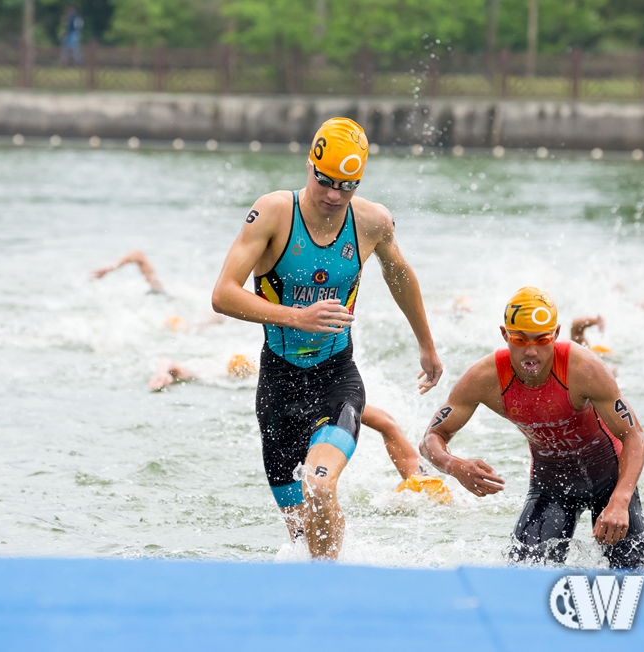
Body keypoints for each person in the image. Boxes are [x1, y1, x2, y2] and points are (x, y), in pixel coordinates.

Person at [210, 117, 443, 559]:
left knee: (318, 486)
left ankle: (333, 585)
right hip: (277, 389)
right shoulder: (274, 213)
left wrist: (426, 345)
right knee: (300, 537)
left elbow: (400, 276)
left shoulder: (372, 222)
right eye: (326, 181)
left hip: (336, 379)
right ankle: (320, 584)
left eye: (347, 185)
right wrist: (296, 316)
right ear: (308, 166)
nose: (334, 195)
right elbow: (222, 295)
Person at [420, 287, 644, 568]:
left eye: (542, 340)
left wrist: (620, 500)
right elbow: (432, 436)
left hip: (610, 479)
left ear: (556, 334)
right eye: (520, 340)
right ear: (505, 335)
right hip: (552, 485)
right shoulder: (485, 377)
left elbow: (635, 437)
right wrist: (453, 465)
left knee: (635, 577)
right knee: (523, 575)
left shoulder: (582, 367)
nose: (531, 351)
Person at [148, 356, 449, 502]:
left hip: (325, 414)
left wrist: (415, 476)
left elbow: (387, 423)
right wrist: (165, 373)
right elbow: (179, 366)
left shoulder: (330, 397)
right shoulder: (251, 383)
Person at [91, 250, 223, 331]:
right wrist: (109, 268)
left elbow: (138, 255)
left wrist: (110, 267)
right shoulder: (159, 294)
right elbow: (138, 255)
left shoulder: (158, 294)